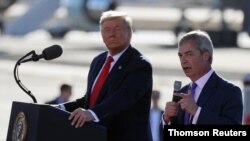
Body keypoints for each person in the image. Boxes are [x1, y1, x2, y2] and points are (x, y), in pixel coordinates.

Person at [60, 10, 153, 141]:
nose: (112, 34)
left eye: (117, 29)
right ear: (102, 35)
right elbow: (91, 100)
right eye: (107, 30)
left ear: (129, 33)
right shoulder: (98, 61)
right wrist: (60, 108)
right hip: (97, 136)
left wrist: (92, 114)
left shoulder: (139, 64)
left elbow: (122, 98)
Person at [163, 30, 243, 125]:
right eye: (180, 55)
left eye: (189, 54)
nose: (183, 60)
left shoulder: (230, 91)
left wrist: (197, 112)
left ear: (206, 56)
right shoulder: (182, 92)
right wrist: (166, 120)